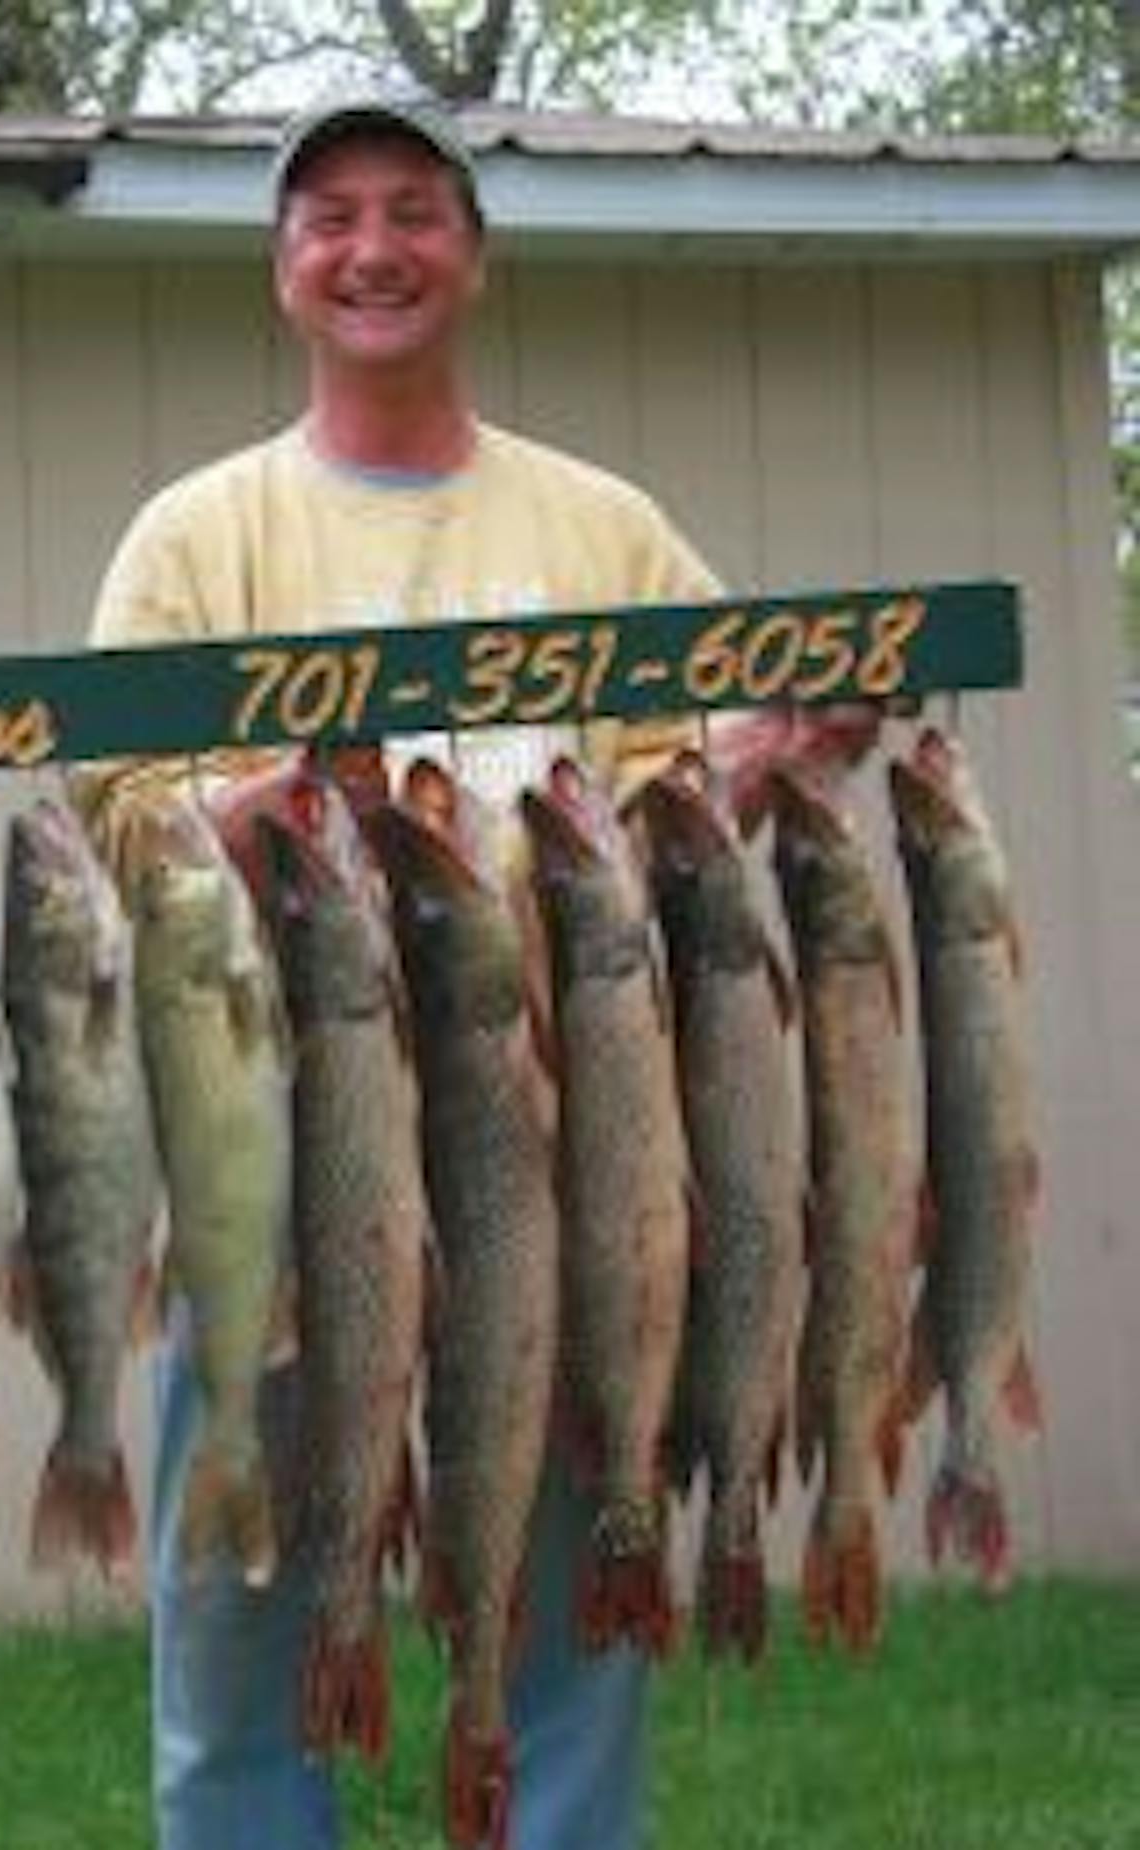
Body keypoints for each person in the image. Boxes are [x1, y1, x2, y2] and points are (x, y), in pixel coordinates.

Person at [80, 94, 871, 1850]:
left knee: (570, 1611)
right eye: (331, 217)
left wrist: (781, 747)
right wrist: (258, 807)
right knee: (239, 1647)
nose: (374, 249)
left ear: (476, 256)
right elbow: (117, 815)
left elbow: (697, 777)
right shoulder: (197, 537)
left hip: (577, 1152)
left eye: (414, 211)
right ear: (282, 268)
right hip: (286, 1152)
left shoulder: (605, 529)